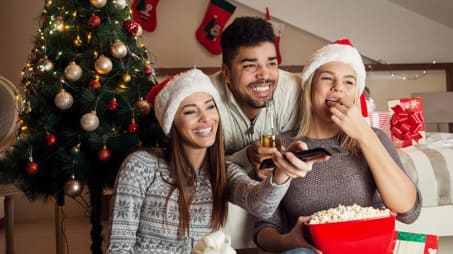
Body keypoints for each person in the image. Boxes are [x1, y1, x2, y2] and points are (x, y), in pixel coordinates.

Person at [106, 68, 322, 253]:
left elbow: (260, 205)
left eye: (210, 107)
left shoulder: (223, 171)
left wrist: (283, 170)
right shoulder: (140, 166)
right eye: (191, 112)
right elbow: (119, 248)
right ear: (172, 124)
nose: (205, 118)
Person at [253, 39, 422, 254]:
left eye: (349, 82)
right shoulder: (284, 146)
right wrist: (289, 241)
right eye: (327, 78)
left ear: (355, 94)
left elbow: (409, 211)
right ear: (310, 88)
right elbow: (264, 229)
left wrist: (364, 135)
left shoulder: (373, 138)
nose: (338, 88)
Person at [210, 16, 302, 173]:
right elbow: (198, 166)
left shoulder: (294, 90)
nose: (265, 75)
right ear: (226, 73)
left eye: (271, 63)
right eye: (250, 66)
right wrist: (245, 157)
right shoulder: (205, 97)